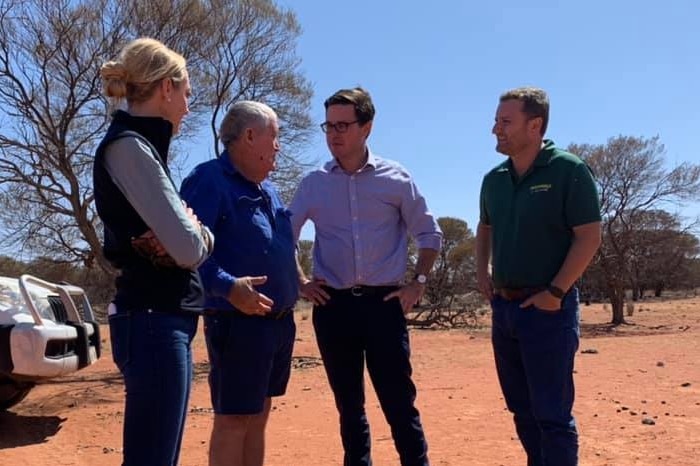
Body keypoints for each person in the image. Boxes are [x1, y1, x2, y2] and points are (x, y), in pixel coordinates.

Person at [289, 87, 442, 466]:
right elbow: (284, 238)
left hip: (383, 307)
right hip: (334, 307)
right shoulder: (314, 183)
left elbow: (430, 234)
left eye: (343, 125)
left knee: (399, 403)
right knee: (349, 409)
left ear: (367, 128)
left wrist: (417, 283)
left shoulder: (395, 178)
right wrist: (300, 281)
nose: (334, 134)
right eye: (328, 126)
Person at [94, 37, 214, 466]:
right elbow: (187, 246)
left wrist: (190, 231)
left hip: (160, 318)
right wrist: (197, 231)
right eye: (185, 93)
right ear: (166, 88)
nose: (187, 104)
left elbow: (183, 240)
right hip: (151, 320)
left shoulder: (141, 147)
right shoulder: (130, 146)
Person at [476, 87, 602, 466]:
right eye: (496, 120)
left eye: (505, 121)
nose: (495, 129)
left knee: (552, 416)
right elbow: (485, 228)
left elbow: (589, 235)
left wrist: (556, 292)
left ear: (535, 125)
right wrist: (482, 270)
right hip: (506, 310)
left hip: (549, 312)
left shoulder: (569, 170)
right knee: (523, 411)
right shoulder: (494, 179)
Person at [180, 101, 298, 466]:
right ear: (250, 135)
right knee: (234, 420)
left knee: (259, 416)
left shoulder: (269, 190)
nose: (278, 146)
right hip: (236, 323)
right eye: (274, 136)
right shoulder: (209, 181)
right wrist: (229, 287)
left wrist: (300, 282)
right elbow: (186, 253)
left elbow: (279, 247)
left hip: (277, 323)